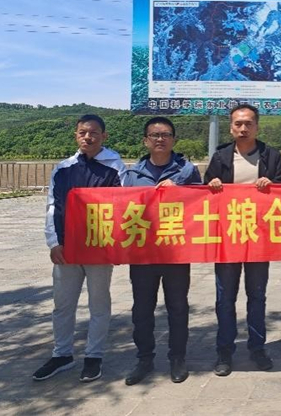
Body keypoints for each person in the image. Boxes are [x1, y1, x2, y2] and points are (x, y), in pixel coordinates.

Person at [32, 114, 126, 383]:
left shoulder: (115, 167)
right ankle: (62, 354)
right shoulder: (63, 169)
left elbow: (122, 208)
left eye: (94, 132)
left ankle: (94, 356)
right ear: (76, 135)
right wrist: (54, 242)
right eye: (83, 132)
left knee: (99, 303)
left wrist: (115, 246)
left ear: (104, 136)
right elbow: (53, 207)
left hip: (99, 249)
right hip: (67, 249)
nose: (88, 137)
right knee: (62, 304)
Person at [205, 104, 281, 376]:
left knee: (257, 296)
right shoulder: (220, 156)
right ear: (231, 127)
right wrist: (212, 186)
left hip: (258, 237)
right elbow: (204, 192)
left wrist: (272, 185)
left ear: (257, 126)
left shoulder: (271, 155)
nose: (243, 128)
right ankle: (224, 351)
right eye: (238, 124)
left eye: (248, 123)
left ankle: (257, 348)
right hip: (227, 237)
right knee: (224, 298)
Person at [123, 117, 202, 385]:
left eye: (166, 134)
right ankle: (144, 359)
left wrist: (179, 191)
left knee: (177, 307)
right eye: (154, 135)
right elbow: (121, 210)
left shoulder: (187, 171)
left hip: (176, 252)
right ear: (145, 140)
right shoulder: (132, 174)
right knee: (141, 310)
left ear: (174, 140)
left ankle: (177, 358)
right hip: (143, 255)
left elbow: (201, 204)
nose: (160, 139)